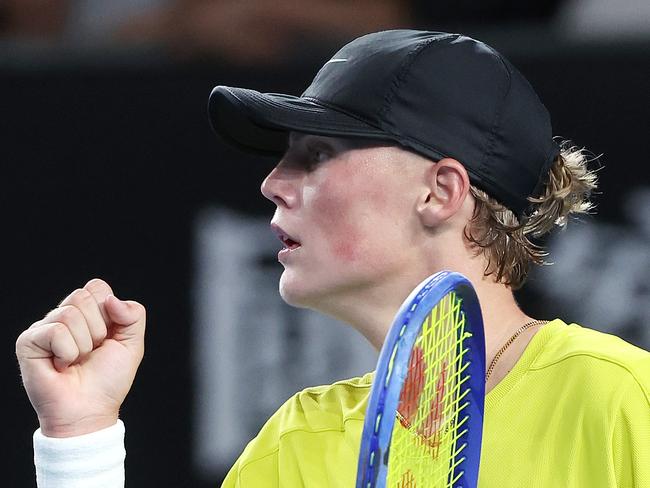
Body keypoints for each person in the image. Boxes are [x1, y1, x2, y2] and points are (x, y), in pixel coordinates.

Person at [15, 30, 650, 487]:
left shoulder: (620, 399)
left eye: (316, 154)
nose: (272, 182)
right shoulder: (296, 444)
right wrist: (82, 440)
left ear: (441, 191)